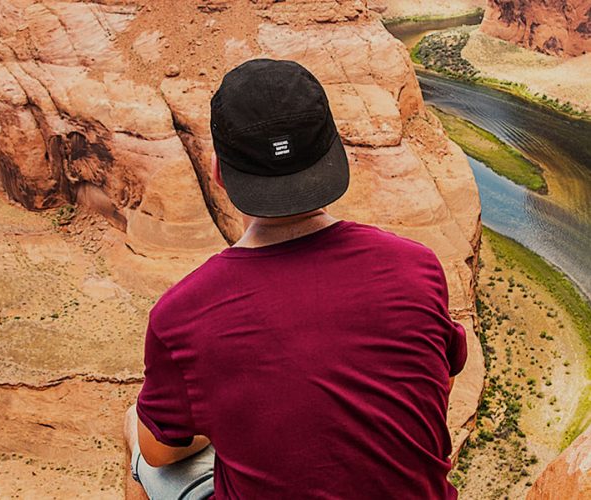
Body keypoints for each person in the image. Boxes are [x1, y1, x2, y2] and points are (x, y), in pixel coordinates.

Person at [123, 58, 467, 500]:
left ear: (218, 172)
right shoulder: (416, 267)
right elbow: (441, 382)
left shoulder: (182, 315)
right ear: (333, 154)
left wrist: (228, 416)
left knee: (135, 433)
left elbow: (159, 452)